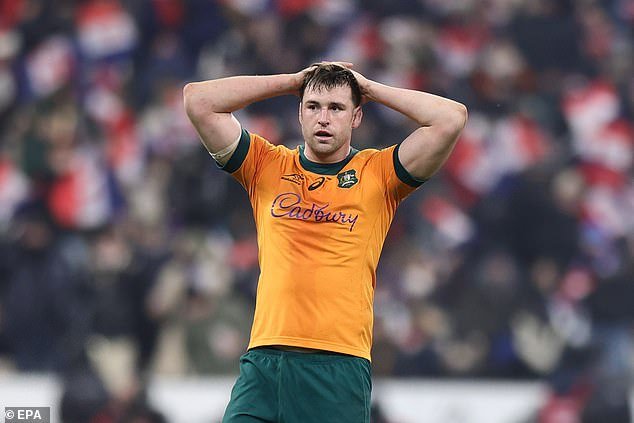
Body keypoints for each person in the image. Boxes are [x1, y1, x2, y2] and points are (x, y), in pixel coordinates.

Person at [183, 62, 467, 423]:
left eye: (337, 108)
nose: (323, 118)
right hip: (265, 364)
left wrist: (369, 87)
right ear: (299, 113)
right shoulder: (266, 165)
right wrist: (292, 81)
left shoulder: (379, 174)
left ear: (356, 116)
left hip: (337, 368)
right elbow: (197, 100)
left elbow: (451, 118)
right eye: (313, 106)